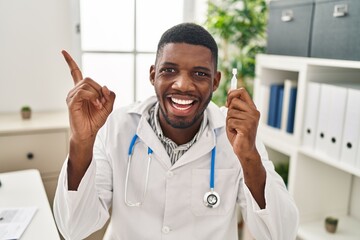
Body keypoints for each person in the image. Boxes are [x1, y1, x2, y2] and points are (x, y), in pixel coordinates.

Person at [53, 23, 299, 240]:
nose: (182, 84)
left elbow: (280, 234)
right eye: (169, 70)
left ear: (216, 82)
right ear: (153, 75)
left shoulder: (239, 136)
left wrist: (248, 158)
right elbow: (74, 228)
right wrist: (81, 142)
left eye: (200, 74)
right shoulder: (117, 126)